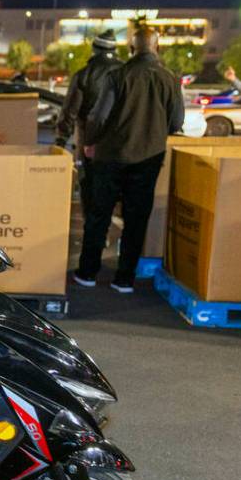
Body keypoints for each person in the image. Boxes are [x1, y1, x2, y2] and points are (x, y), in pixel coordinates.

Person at [74, 27, 184, 293]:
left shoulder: (118, 76)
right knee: (136, 219)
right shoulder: (170, 79)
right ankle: (124, 278)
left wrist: (89, 142)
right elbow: (177, 121)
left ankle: (88, 272)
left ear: (131, 48)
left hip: (111, 156)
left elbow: (98, 117)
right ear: (157, 47)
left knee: (99, 214)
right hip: (149, 158)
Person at [56, 29, 122, 212]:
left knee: (91, 197)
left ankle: (93, 236)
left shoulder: (84, 75)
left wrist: (61, 139)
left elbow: (69, 111)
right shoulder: (126, 74)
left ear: (94, 49)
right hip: (120, 146)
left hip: (88, 146)